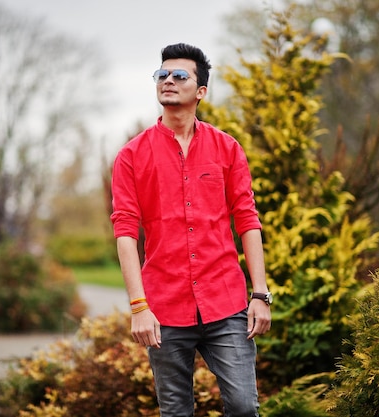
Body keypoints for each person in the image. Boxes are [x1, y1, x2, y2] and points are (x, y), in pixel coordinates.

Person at [110, 42, 272, 417]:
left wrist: (260, 294)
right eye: (161, 75)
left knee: (244, 407)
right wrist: (139, 306)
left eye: (179, 75)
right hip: (164, 309)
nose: (168, 80)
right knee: (176, 411)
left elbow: (247, 220)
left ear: (200, 91)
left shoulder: (227, 149)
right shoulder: (131, 157)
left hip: (226, 303)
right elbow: (125, 233)